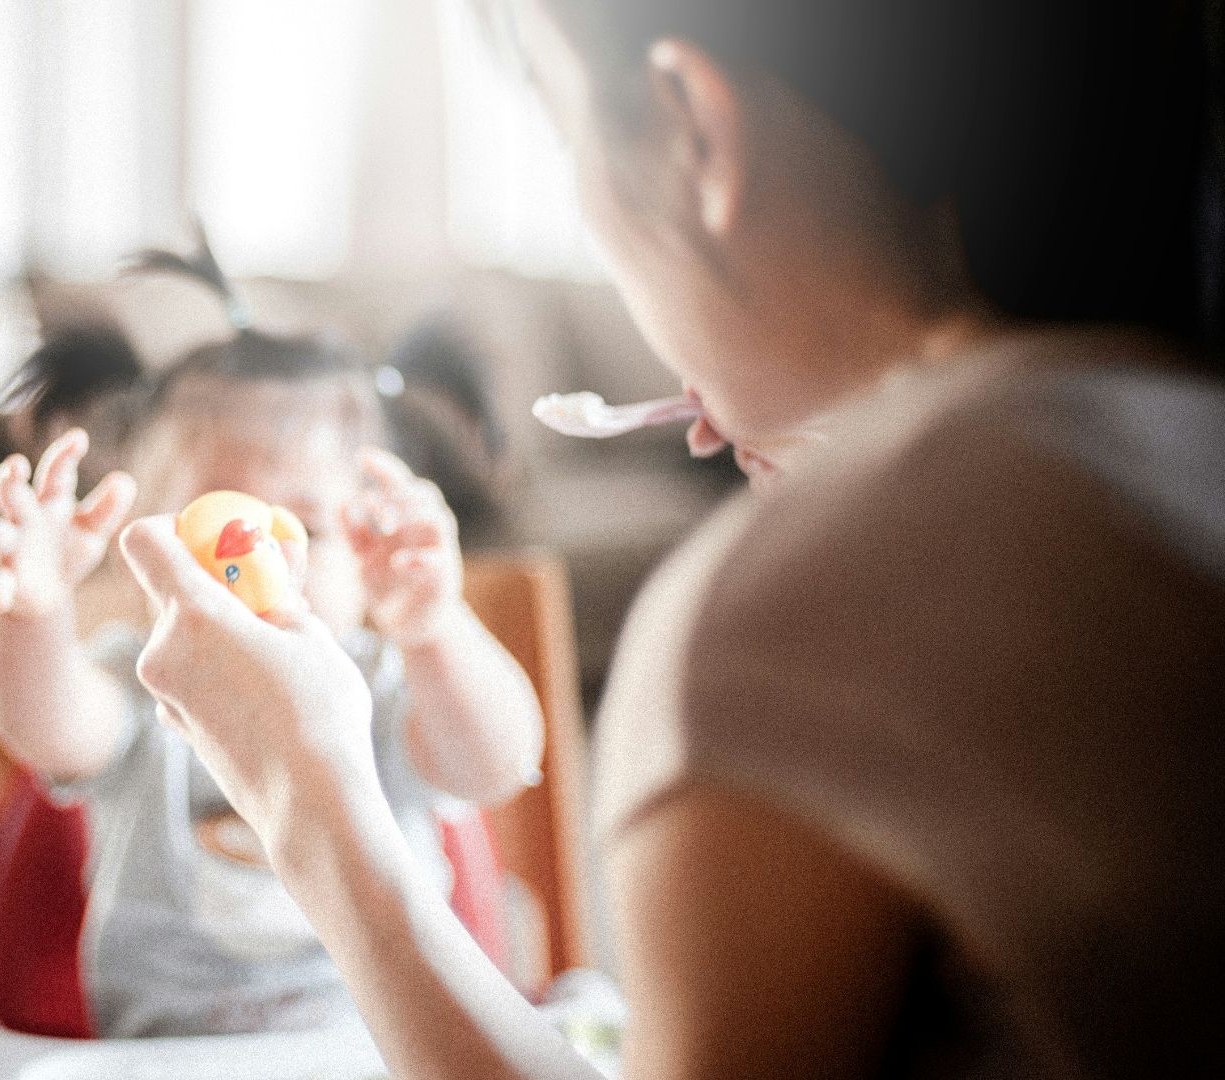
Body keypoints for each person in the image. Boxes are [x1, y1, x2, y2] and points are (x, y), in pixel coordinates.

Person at [111, 0, 1224, 1077]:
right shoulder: (1180, 438)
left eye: (563, 131)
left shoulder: (780, 618)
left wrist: (314, 807)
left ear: (695, 127)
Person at [0, 244, 547, 1038]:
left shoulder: (384, 688)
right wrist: (32, 609)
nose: (261, 564)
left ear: (366, 549)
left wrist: (434, 626)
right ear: (139, 543)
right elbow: (39, 720)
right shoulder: (145, 682)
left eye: (307, 528)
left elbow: (497, 762)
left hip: (387, 1048)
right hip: (174, 1055)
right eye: (218, 528)